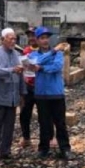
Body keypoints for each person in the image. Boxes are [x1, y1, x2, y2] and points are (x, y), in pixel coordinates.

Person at [29, 26, 73, 160]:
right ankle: (43, 148)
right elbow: (33, 64)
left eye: (47, 38)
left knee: (60, 122)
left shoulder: (59, 54)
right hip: (41, 93)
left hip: (56, 92)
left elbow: (56, 67)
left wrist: (41, 68)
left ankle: (65, 148)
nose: (45, 41)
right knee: (43, 123)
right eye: (42, 38)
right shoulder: (33, 55)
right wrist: (52, 52)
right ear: (36, 40)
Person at [0, 28, 26, 161]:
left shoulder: (16, 55)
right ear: (2, 40)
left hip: (12, 98)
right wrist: (12, 70)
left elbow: (21, 75)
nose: (13, 41)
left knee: (9, 127)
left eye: (14, 39)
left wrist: (22, 93)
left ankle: (5, 152)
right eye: (10, 38)